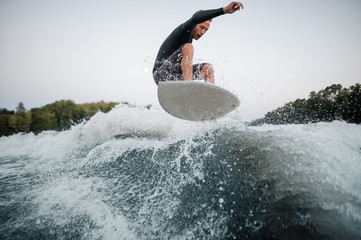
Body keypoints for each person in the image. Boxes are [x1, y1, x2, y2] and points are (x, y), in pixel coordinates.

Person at [153, 2, 243, 85]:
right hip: (160, 74)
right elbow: (195, 19)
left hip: (175, 76)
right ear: (194, 25)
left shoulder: (188, 39)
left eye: (206, 30)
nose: (203, 32)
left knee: (208, 68)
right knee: (188, 47)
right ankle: (188, 86)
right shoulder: (183, 29)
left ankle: (211, 97)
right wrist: (224, 10)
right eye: (201, 27)